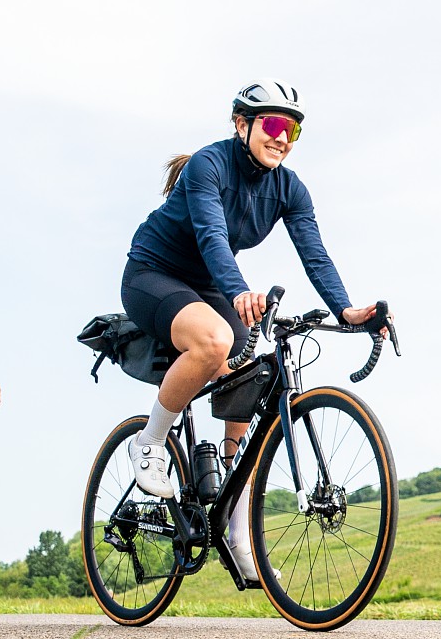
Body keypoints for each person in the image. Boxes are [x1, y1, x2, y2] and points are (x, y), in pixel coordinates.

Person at [121, 80, 383, 581]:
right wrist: (240, 289)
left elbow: (315, 255)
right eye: (275, 125)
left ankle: (236, 527)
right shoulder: (208, 165)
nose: (284, 137)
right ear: (242, 125)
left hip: (210, 286)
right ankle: (150, 441)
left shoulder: (290, 188)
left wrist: (347, 311)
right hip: (155, 274)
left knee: (251, 371)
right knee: (217, 340)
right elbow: (212, 236)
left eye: (294, 129)